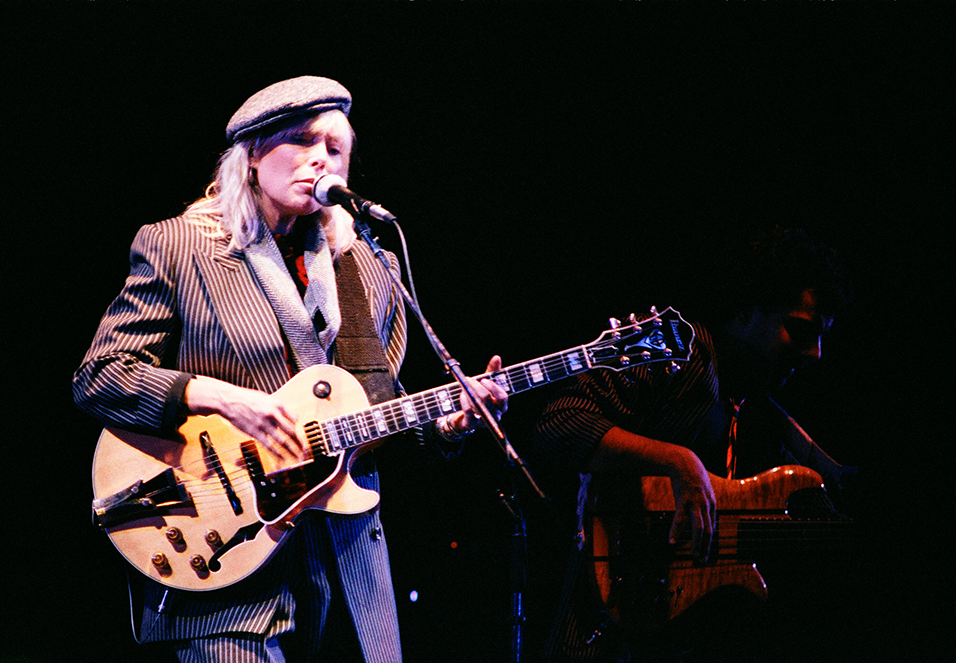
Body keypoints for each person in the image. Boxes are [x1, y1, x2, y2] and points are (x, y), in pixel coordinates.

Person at [73, 76, 507, 663]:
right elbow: (100, 376)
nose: (320, 159)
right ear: (252, 155)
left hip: (346, 563)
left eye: (335, 148)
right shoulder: (178, 247)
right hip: (224, 556)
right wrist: (224, 399)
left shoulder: (368, 269)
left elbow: (377, 403)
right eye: (302, 141)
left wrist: (447, 425)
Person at [533, 226, 856, 662]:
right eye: (798, 331)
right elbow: (558, 421)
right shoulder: (681, 352)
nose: (815, 353)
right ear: (746, 312)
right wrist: (676, 461)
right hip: (601, 637)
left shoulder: (760, 410)